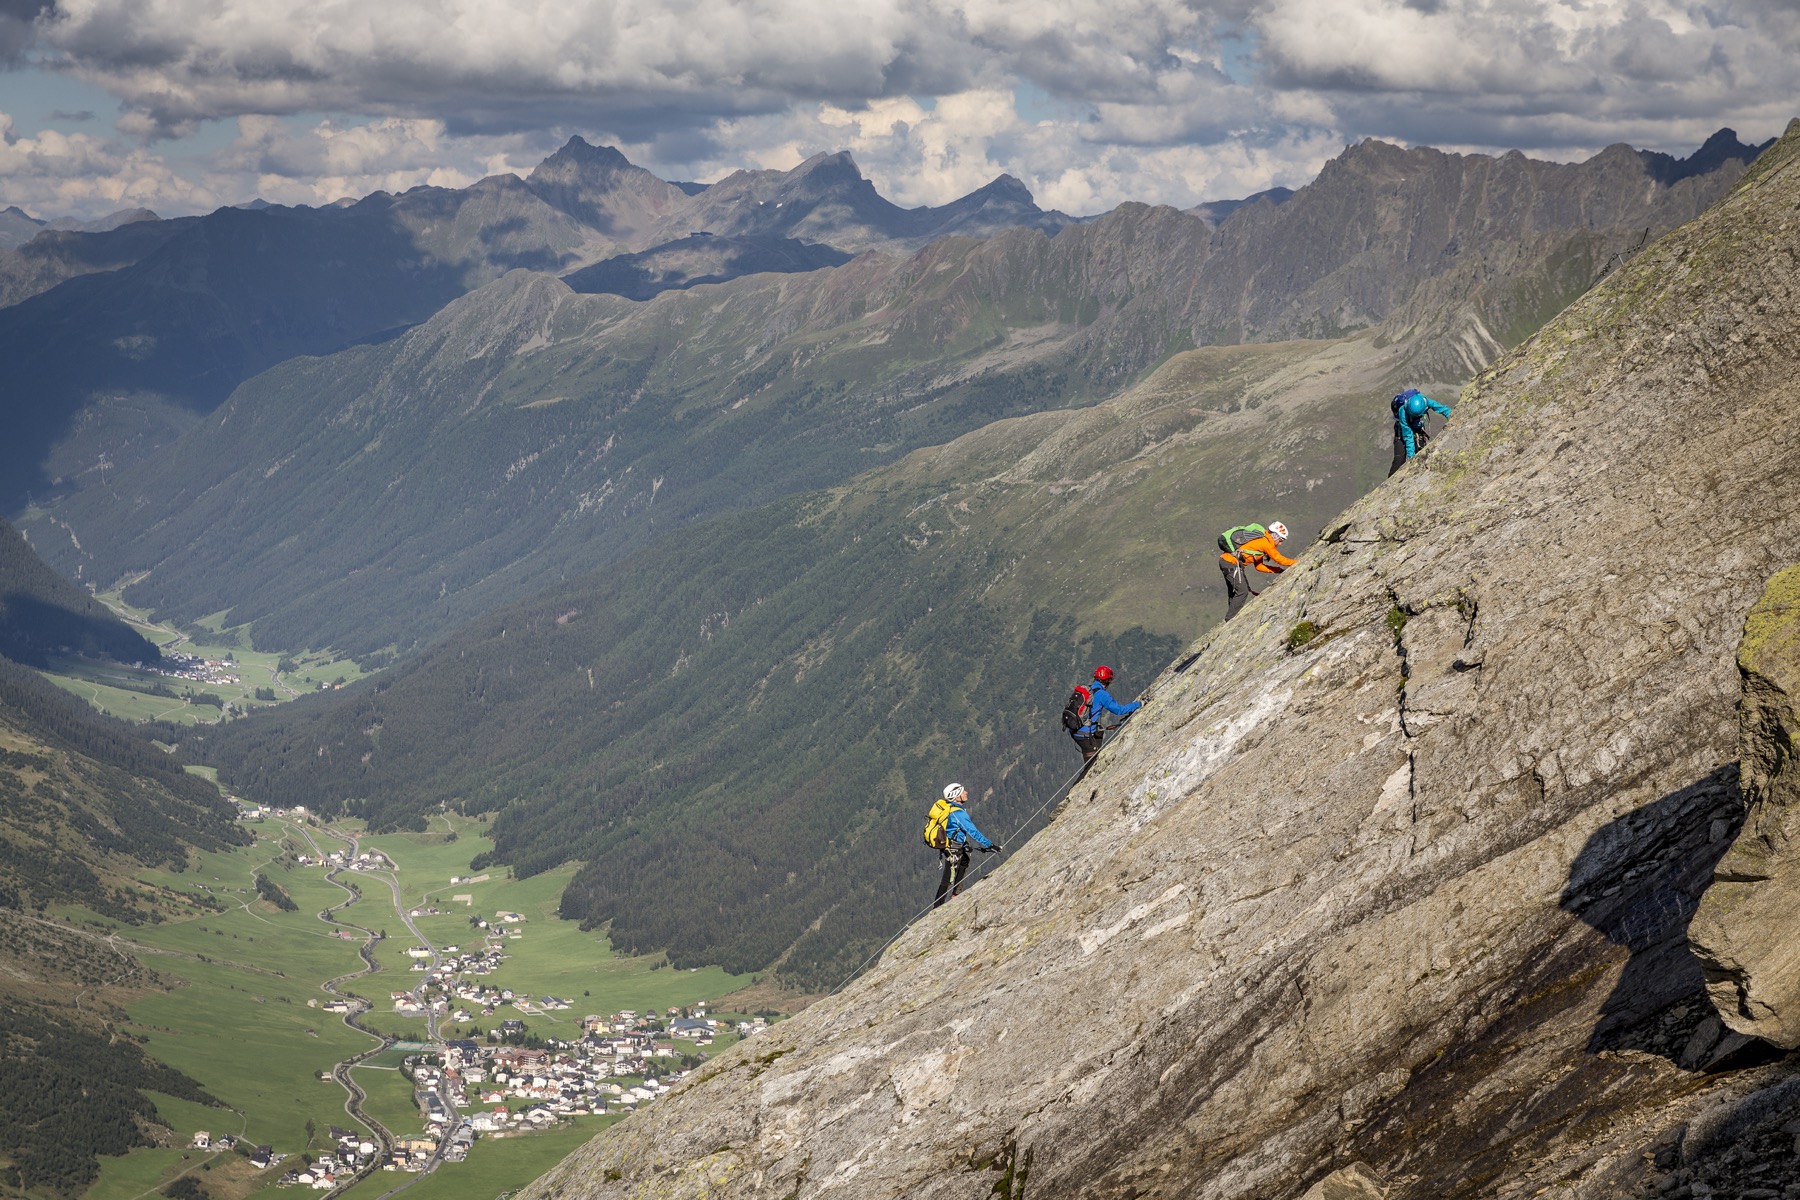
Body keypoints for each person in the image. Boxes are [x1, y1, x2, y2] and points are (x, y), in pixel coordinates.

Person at [931, 783, 998, 907]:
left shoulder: (952, 809)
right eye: (962, 792)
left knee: (964, 861)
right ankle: (937, 907)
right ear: (956, 797)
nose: (966, 792)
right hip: (954, 849)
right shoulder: (958, 813)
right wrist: (990, 845)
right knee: (947, 878)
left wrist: (964, 844)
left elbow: (954, 830)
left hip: (953, 846)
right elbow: (973, 832)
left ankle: (955, 894)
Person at [1219, 522, 1297, 619]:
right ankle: (1230, 618)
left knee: (1235, 591)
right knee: (1242, 591)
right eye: (1281, 540)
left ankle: (1230, 616)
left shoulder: (1261, 541)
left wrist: (1279, 570)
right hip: (1231, 563)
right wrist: (1296, 562)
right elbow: (1279, 559)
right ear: (1275, 536)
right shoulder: (1265, 543)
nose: (1280, 544)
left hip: (1228, 562)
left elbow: (1259, 566)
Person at [1070, 665, 1142, 771]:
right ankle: (1085, 780)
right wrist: (1138, 704)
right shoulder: (1102, 695)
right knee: (1091, 766)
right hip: (1084, 735)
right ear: (1107, 681)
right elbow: (1119, 710)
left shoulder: (1089, 689)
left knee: (1098, 733)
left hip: (1075, 729)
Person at [1389, 388, 1453, 475]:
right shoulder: (1402, 412)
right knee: (1399, 460)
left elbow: (1442, 409)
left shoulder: (1425, 401)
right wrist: (1411, 458)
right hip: (1402, 432)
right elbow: (1408, 436)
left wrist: (1453, 416)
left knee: (1421, 455)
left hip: (1418, 430)